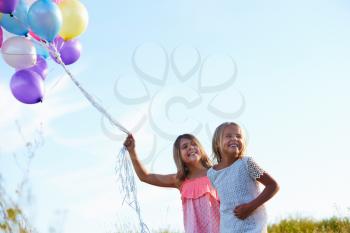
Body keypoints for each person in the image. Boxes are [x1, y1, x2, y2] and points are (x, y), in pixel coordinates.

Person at [123, 133, 220, 233]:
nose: (191, 147)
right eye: (185, 146)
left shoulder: (216, 172)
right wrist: (132, 151)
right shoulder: (179, 180)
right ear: (179, 155)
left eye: (194, 144)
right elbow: (145, 177)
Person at [207, 122, 279, 233]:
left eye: (239, 136)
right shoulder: (212, 173)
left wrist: (250, 207)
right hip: (228, 228)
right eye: (229, 136)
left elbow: (273, 186)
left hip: (253, 228)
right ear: (217, 143)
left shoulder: (246, 163)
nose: (235, 139)